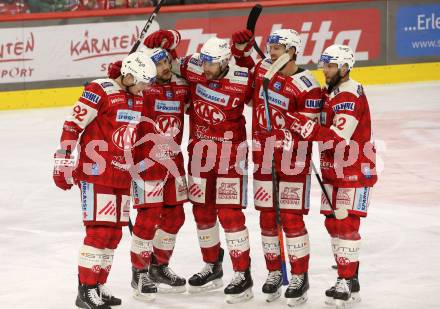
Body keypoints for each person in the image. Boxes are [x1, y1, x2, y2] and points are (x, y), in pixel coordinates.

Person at [143, 30, 254, 304]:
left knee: (230, 216)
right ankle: (212, 267)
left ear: (226, 61)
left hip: (231, 157)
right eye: (203, 61)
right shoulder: (194, 67)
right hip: (200, 157)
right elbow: (162, 63)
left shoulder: (241, 79)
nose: (205, 68)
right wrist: (165, 40)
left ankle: (243, 274)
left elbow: (264, 96)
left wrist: (245, 55)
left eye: (211, 64)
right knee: (202, 213)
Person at [52, 51, 156, 309]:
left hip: (121, 176)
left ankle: (98, 284)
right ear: (129, 75)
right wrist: (63, 162)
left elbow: (139, 136)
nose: (145, 88)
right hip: (95, 174)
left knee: (113, 235)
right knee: (99, 233)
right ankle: (85, 290)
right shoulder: (99, 89)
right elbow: (72, 125)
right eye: (143, 82)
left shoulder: (138, 97)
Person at [232, 28, 322, 305]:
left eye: (278, 49)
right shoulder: (263, 70)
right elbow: (247, 84)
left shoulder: (309, 85)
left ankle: (299, 276)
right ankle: (273, 272)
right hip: (262, 157)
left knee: (292, 220)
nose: (271, 53)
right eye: (270, 48)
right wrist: (240, 51)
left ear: (293, 51)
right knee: (268, 220)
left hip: (293, 161)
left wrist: (282, 130)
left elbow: (308, 128)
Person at [286, 44, 377, 308]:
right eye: (324, 65)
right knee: (332, 223)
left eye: (331, 66)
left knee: (347, 224)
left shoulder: (350, 96)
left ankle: (346, 280)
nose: (325, 70)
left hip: (354, 169)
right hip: (333, 169)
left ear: (346, 67)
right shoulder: (331, 92)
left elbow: (337, 136)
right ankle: (352, 278)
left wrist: (302, 125)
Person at [107, 46, 191, 301]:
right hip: (146, 162)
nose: (164, 67)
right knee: (149, 216)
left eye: (167, 61)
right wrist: (115, 78)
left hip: (174, 162)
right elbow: (118, 93)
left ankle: (158, 267)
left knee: (175, 216)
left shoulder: (181, 87)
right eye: (158, 64)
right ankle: (140, 272)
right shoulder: (143, 88)